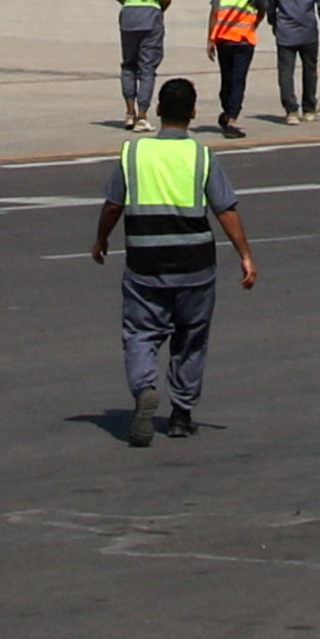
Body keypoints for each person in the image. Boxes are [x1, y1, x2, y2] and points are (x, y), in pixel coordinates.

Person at [89, 76, 258, 444]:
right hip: (194, 264)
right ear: (194, 113)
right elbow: (225, 209)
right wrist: (244, 255)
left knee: (140, 333)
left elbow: (113, 205)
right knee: (191, 338)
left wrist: (101, 239)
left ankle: (144, 388)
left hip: (145, 263)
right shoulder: (201, 155)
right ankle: (181, 414)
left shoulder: (133, 153)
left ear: (160, 111)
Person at [206, 0, 266, 134]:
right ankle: (231, 116)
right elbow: (263, 8)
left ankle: (228, 112)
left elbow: (214, 11)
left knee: (227, 78)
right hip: (244, 39)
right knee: (239, 79)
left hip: (223, 38)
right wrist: (253, 24)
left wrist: (210, 39)